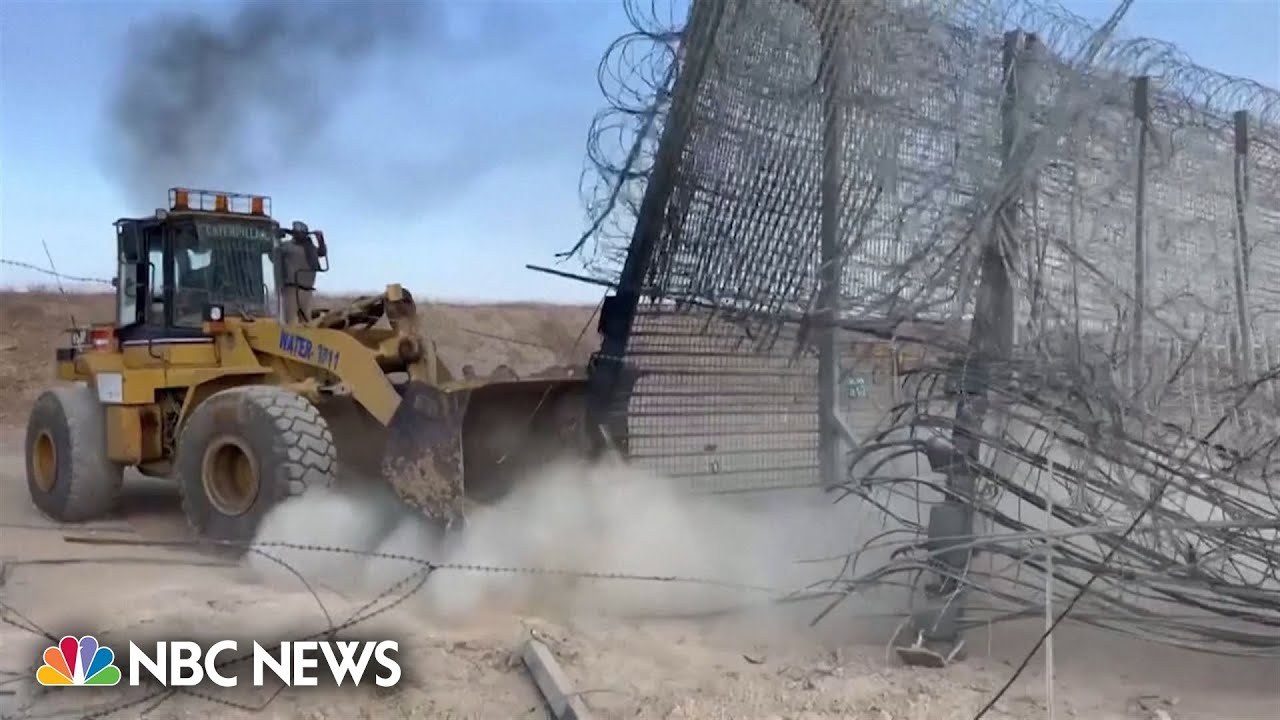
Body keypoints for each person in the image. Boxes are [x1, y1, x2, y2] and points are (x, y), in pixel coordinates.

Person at [278, 221, 327, 323]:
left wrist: (320, 240)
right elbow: (274, 257)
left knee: (305, 322)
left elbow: (322, 252)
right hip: (291, 288)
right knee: (290, 322)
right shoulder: (286, 247)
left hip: (307, 289)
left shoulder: (310, 248)